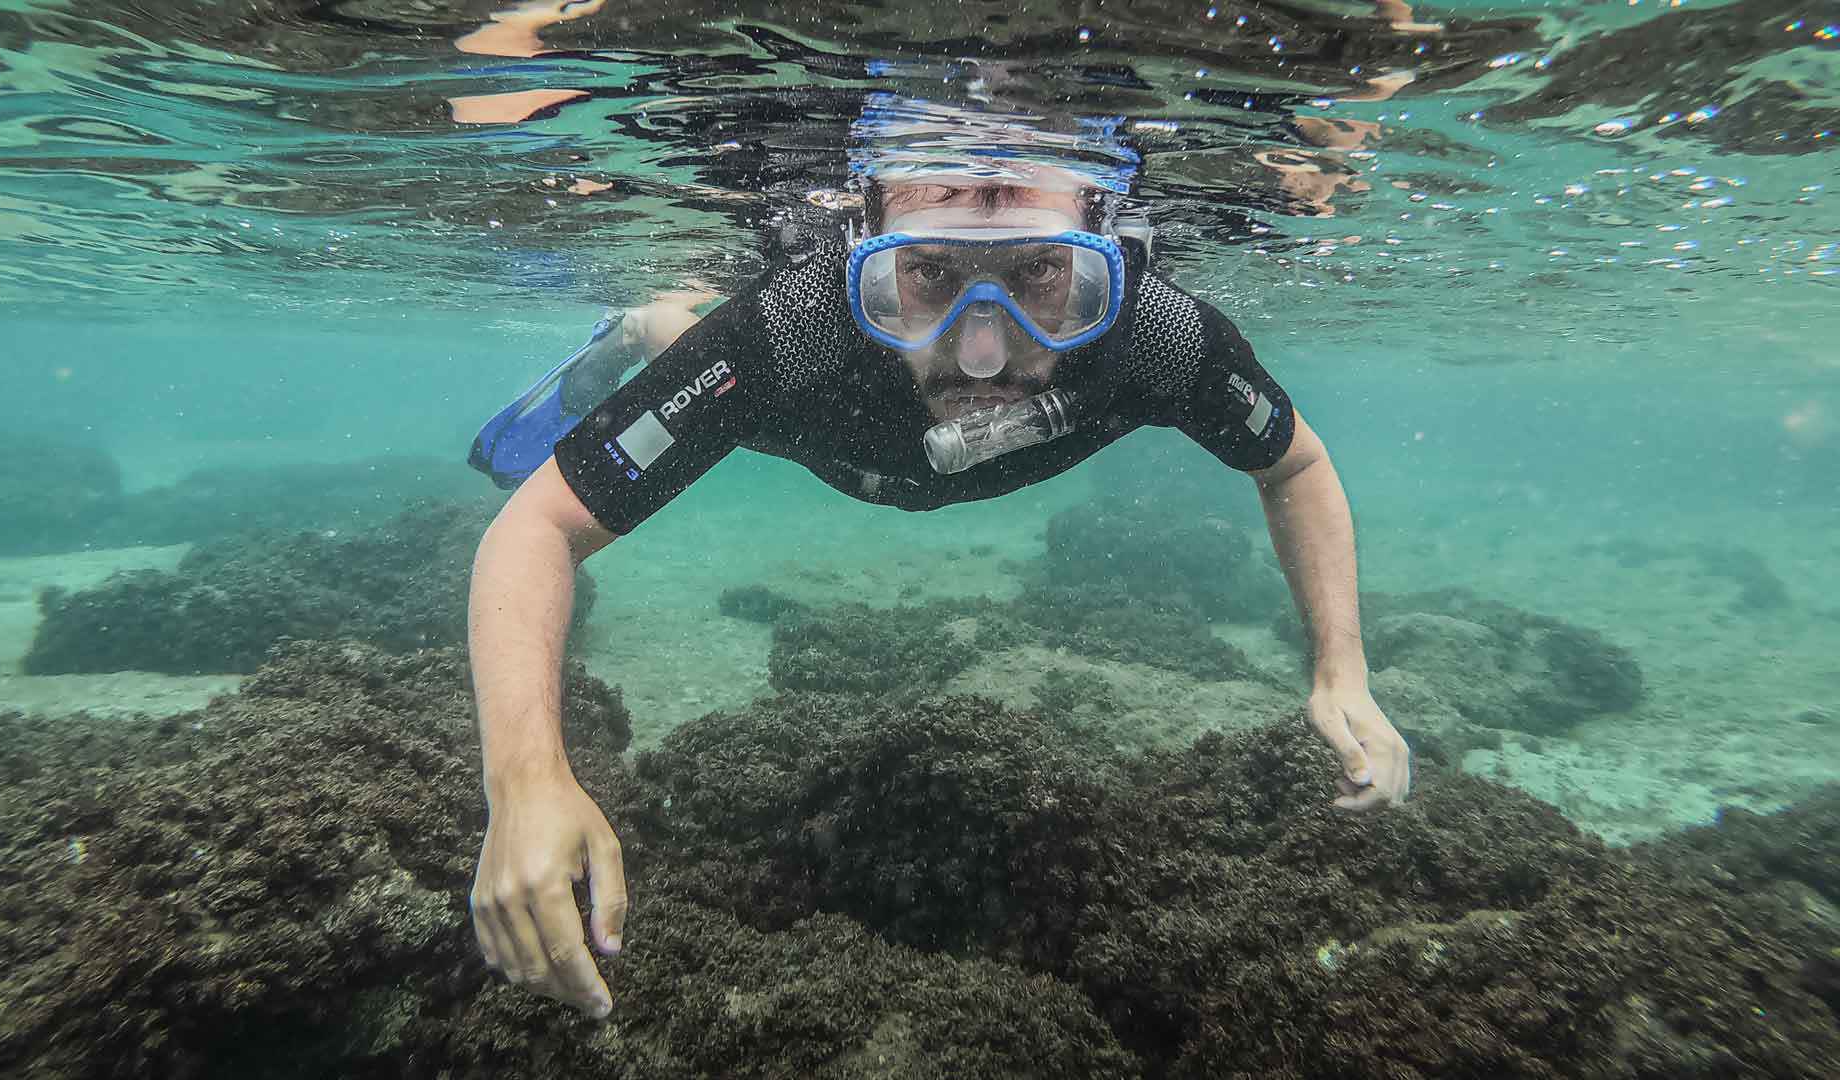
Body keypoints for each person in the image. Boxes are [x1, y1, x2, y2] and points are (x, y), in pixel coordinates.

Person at [465, 102, 1413, 1020]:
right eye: (926, 275)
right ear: (860, 239)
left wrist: (1344, 670)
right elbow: (535, 528)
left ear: (1107, 241)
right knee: (694, 344)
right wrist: (525, 778)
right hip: (827, 441)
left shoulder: (1153, 333)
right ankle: (643, 326)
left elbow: (1295, 464)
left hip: (858, 424)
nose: (985, 350)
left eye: (1043, 274)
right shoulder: (798, 324)